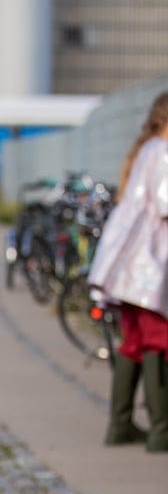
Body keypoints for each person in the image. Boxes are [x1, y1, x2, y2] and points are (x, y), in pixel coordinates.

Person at [89, 91, 168, 452]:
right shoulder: (163, 152)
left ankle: (120, 424)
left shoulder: (145, 150)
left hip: (126, 264)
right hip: (149, 266)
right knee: (158, 341)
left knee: (133, 342)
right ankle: (161, 429)